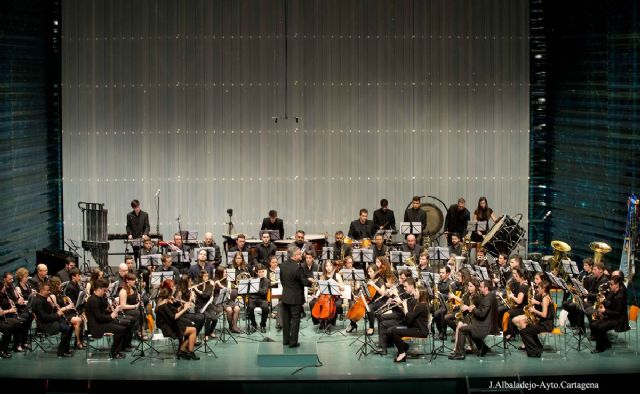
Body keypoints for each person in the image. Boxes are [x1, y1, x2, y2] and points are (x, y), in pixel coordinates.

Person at [448, 280, 499, 360]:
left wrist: (473, 309)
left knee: (462, 329)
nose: (479, 288)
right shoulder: (491, 296)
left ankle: (459, 353)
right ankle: (483, 348)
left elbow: (481, 314)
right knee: (468, 328)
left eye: (481, 287)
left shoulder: (487, 299)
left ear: (486, 288)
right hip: (488, 324)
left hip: (484, 326)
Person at [84, 278, 131, 359]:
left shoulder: (100, 297)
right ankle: (114, 352)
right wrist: (111, 315)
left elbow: (104, 310)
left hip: (101, 323)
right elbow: (99, 317)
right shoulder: (93, 300)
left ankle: (119, 349)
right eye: (105, 290)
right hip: (96, 327)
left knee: (125, 324)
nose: (105, 292)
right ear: (99, 289)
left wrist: (111, 308)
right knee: (121, 329)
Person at [386, 278, 430, 362]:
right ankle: (403, 349)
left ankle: (402, 353)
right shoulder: (419, 304)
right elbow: (410, 318)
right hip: (416, 328)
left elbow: (409, 318)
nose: (414, 293)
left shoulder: (421, 305)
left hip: (420, 331)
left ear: (421, 294)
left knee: (394, 331)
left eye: (416, 291)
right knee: (393, 330)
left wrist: (405, 306)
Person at [30, 282, 75, 357]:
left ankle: (66, 349)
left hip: (51, 321)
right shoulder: (38, 301)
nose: (49, 292)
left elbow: (49, 312)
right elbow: (45, 317)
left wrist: (53, 306)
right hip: (45, 325)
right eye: (47, 290)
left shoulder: (44, 298)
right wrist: (57, 314)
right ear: (41, 290)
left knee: (69, 325)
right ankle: (61, 352)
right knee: (66, 329)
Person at [154, 287, 200, 360]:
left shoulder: (164, 303)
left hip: (171, 324)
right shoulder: (163, 306)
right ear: (168, 296)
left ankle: (183, 350)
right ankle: (187, 351)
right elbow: (174, 317)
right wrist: (185, 309)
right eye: (172, 295)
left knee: (192, 327)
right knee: (193, 330)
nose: (173, 296)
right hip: (169, 328)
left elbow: (174, 311)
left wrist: (183, 306)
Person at [516, 278, 555, 357]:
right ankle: (538, 347)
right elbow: (543, 305)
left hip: (546, 325)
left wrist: (534, 310)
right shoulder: (546, 296)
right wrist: (536, 303)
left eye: (539, 288)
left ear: (543, 289)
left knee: (524, 332)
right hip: (545, 323)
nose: (537, 289)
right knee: (528, 328)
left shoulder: (545, 299)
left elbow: (544, 315)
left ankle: (535, 351)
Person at [589, 275, 628, 353]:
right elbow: (609, 303)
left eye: (611, 284)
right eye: (610, 284)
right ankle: (607, 343)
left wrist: (604, 311)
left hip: (619, 320)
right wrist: (603, 301)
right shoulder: (612, 291)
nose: (610, 286)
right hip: (611, 316)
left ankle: (600, 348)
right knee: (593, 324)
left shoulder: (620, 296)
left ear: (617, 285)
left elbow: (617, 313)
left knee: (600, 327)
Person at [280, 246, 307, 348]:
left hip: (286, 296)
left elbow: (282, 281)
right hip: (295, 298)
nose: (301, 255)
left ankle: (286, 341)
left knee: (286, 320)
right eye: (300, 254)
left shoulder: (282, 265)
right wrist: (310, 281)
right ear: (295, 256)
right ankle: (293, 343)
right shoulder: (298, 267)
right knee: (295, 320)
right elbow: (304, 282)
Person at [192, 270, 218, 340]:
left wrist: (197, 291)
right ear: (201, 277)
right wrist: (196, 290)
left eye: (207, 276)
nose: (207, 277)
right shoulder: (197, 285)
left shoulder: (210, 285)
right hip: (200, 306)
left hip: (208, 305)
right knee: (208, 318)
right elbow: (200, 295)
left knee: (215, 319)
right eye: (205, 276)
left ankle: (210, 332)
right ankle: (203, 335)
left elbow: (205, 296)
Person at [126, 199, 150, 267]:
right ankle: (137, 268)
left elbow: (147, 226)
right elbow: (128, 226)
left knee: (144, 253)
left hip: (143, 238)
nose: (137, 209)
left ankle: (144, 268)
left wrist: (145, 234)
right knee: (136, 254)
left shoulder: (145, 214)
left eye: (138, 207)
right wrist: (129, 234)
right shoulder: (129, 215)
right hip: (135, 238)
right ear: (133, 208)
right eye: (135, 208)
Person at [247, 264, 270, 333]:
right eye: (260, 272)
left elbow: (264, 292)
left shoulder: (266, 281)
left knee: (266, 308)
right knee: (250, 308)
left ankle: (263, 324)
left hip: (262, 299)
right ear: (256, 272)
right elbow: (248, 291)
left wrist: (255, 286)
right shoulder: (252, 280)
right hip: (252, 298)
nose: (262, 273)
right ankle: (253, 324)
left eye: (263, 271)